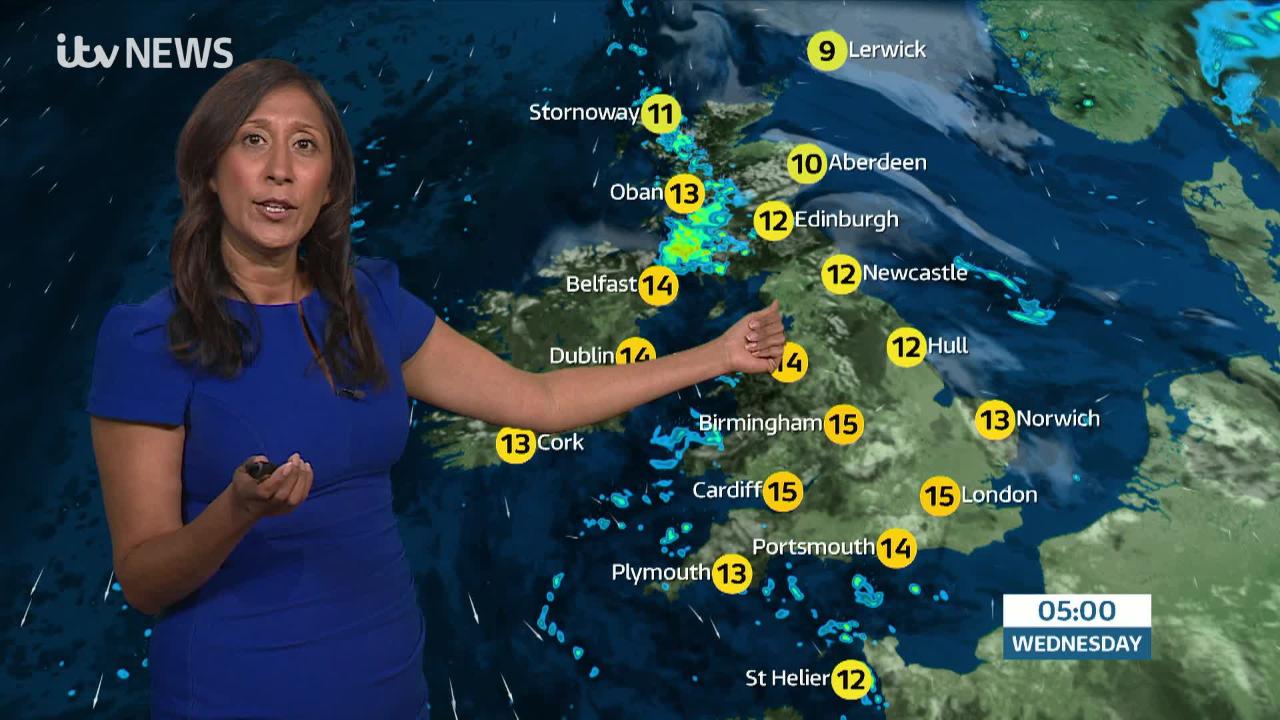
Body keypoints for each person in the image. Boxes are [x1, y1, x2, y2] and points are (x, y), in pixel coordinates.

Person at [86, 58, 786, 719]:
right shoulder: (149, 339)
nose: (279, 170)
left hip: (389, 692)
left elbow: (538, 402)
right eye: (252, 140)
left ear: (329, 186)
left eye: (305, 146)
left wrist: (719, 355)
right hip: (234, 695)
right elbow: (144, 582)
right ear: (210, 169)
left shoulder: (371, 306)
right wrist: (234, 513)